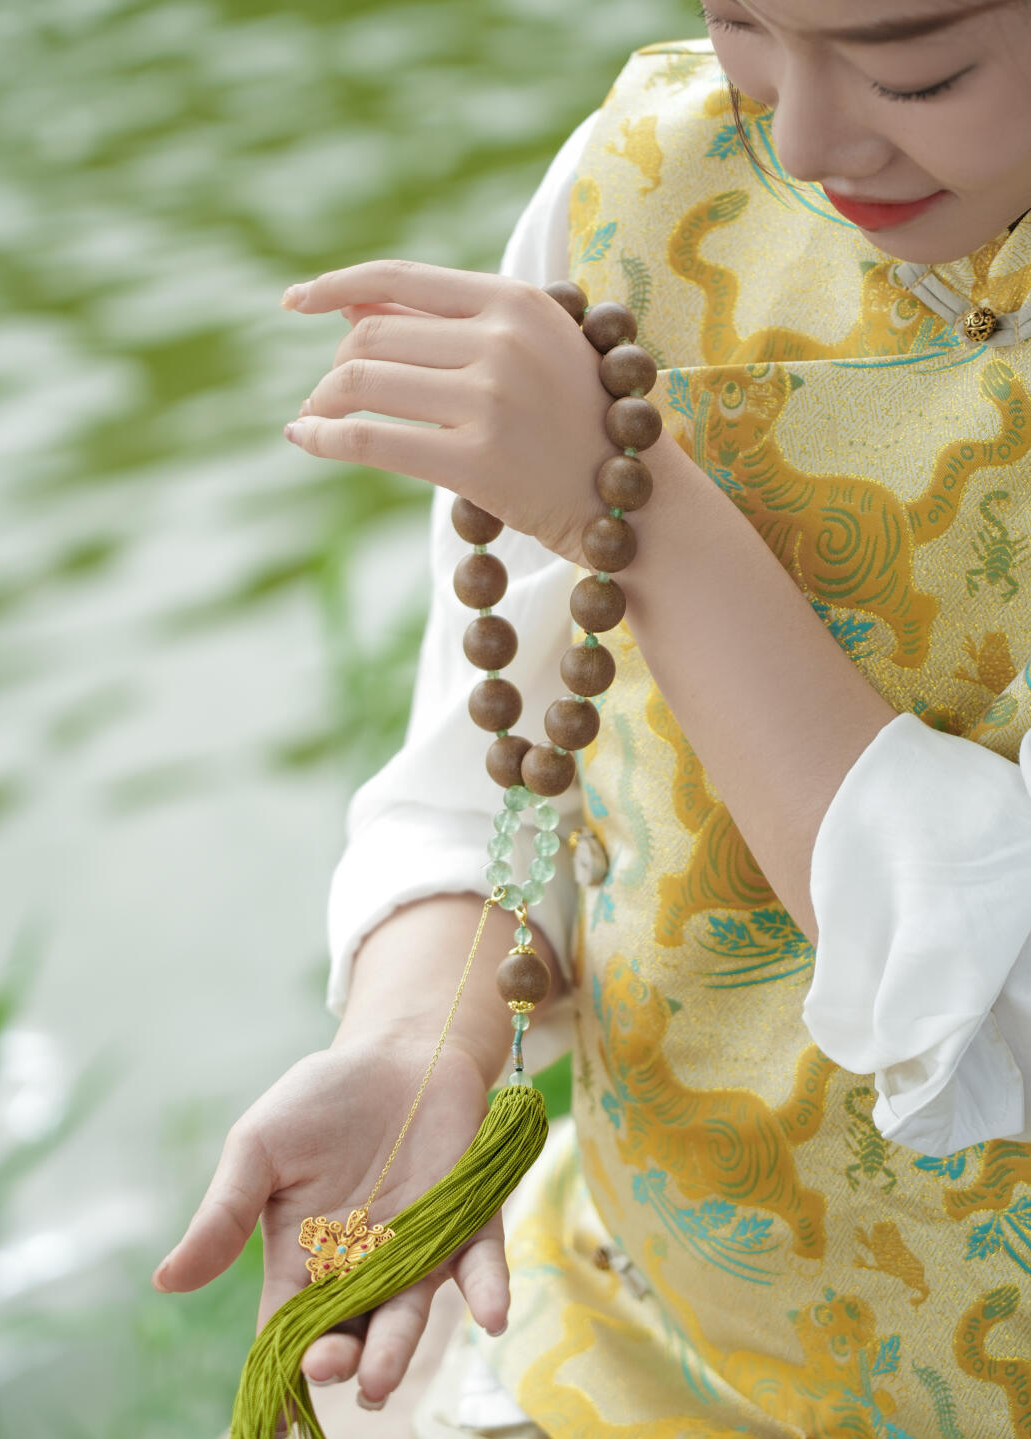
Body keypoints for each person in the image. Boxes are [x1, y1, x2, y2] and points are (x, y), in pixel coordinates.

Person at [153, 0, 1031, 1432]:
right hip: (626, 1342)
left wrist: (642, 511)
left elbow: (997, 975)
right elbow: (501, 781)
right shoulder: (643, 184)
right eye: (741, 18)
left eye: (914, 69)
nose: (807, 138)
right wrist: (419, 1041)